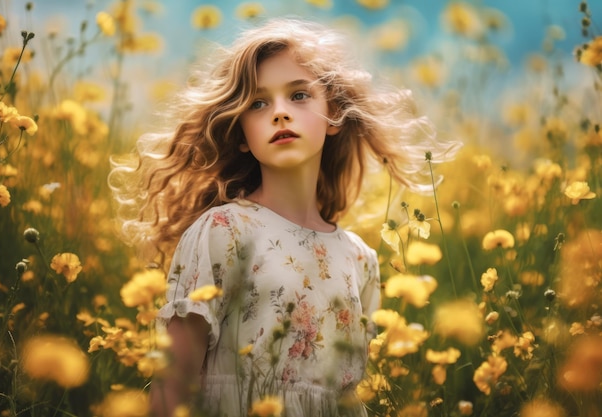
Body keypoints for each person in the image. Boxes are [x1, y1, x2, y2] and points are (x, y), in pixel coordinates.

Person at [110, 17, 458, 417]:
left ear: (334, 115)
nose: (279, 113)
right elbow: (170, 392)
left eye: (298, 95)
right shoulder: (221, 232)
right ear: (241, 134)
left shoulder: (361, 259)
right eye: (258, 103)